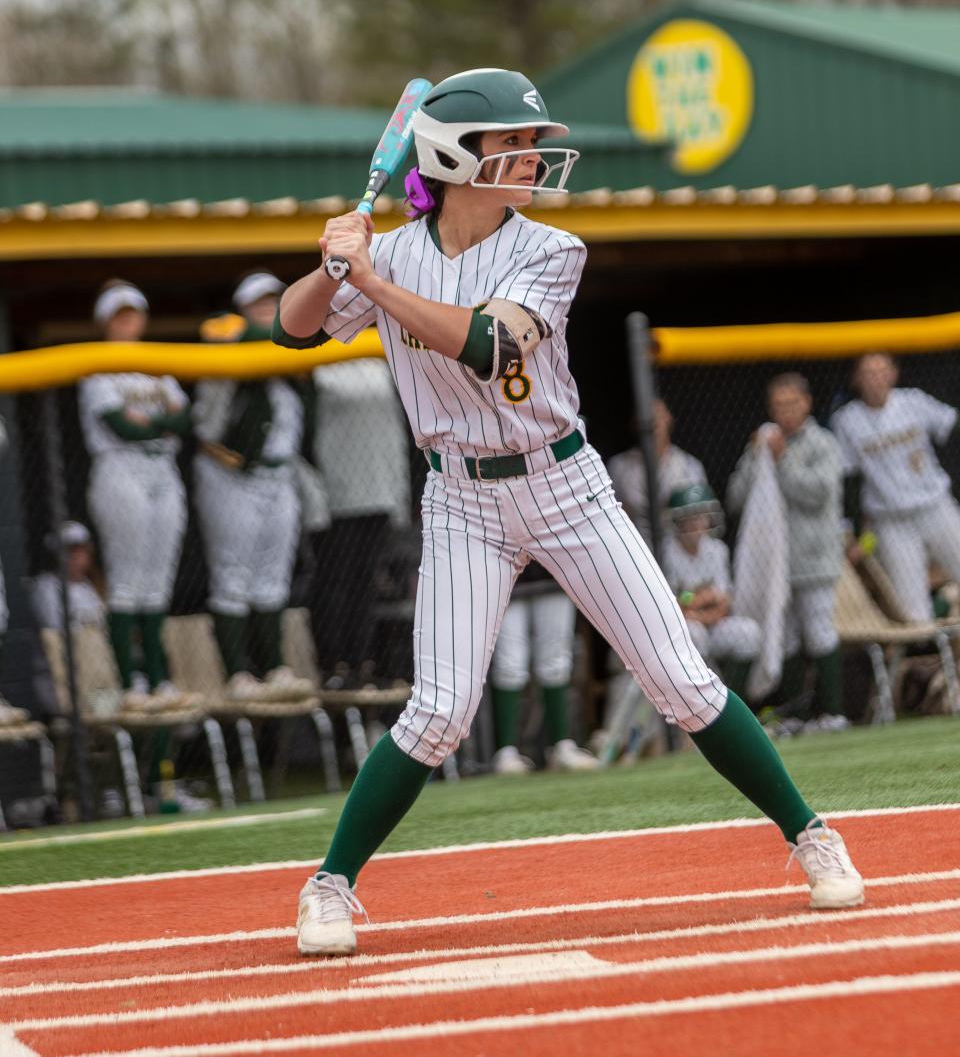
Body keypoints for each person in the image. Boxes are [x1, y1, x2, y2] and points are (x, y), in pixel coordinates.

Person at [273, 68, 863, 956]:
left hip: (565, 485)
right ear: (453, 155)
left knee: (681, 680)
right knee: (437, 711)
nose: (530, 157)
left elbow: (484, 343)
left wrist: (373, 280)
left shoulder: (551, 250)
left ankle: (811, 835)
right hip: (459, 495)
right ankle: (329, 887)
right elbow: (291, 326)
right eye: (508, 145)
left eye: (526, 143)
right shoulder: (390, 251)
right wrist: (332, 265)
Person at [193, 271, 313, 702]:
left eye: (273, 300)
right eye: (258, 302)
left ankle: (275, 667)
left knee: (273, 575)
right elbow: (228, 332)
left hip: (278, 475)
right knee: (232, 574)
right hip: (229, 473)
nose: (267, 308)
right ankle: (238, 673)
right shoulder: (227, 330)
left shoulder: (285, 347)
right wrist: (289, 326)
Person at [78, 281, 192, 711]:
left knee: (158, 579)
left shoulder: (156, 364)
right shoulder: (98, 365)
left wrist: (152, 422)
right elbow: (121, 427)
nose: (128, 322)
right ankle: (131, 682)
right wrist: (160, 422)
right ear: (105, 321)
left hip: (162, 466)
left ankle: (158, 679)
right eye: (119, 315)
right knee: (127, 580)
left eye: (133, 313)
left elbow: (187, 418)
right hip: (118, 467)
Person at [728, 373, 846, 732]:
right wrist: (757, 458)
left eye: (792, 403)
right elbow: (735, 497)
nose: (786, 412)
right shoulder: (764, 443)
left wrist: (783, 461)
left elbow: (818, 494)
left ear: (807, 404)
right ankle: (798, 716)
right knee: (789, 638)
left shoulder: (822, 443)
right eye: (779, 405)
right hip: (774, 566)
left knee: (819, 632)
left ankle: (835, 713)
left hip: (814, 560)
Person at [831, 352, 960, 622]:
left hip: (935, 505)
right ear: (856, 379)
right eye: (868, 372)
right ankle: (945, 609)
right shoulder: (847, 419)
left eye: (881, 371)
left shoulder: (914, 400)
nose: (876, 379)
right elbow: (850, 480)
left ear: (893, 373)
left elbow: (951, 424)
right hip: (890, 521)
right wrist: (856, 530)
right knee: (913, 612)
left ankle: (948, 599)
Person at [310, 354, 411, 685]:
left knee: (365, 581)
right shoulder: (318, 364)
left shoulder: (380, 361)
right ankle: (332, 663)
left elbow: (397, 431)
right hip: (336, 495)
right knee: (334, 580)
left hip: (379, 491)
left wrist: (400, 494)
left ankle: (360, 660)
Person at [489, 563, 597, 773]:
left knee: (556, 661)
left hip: (551, 568)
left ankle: (561, 746)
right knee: (509, 663)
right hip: (503, 569)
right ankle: (505, 753)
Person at [661, 484, 761, 700]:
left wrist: (697, 607)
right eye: (690, 517)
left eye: (701, 516)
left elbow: (724, 602)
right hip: (683, 627)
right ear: (678, 521)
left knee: (748, 633)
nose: (698, 523)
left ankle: (737, 699)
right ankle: (706, 702)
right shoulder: (667, 553)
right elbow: (675, 604)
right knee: (694, 633)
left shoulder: (716, 550)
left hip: (710, 621)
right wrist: (703, 598)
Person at [607, 400, 707, 546]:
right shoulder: (619, 466)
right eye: (647, 417)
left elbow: (701, 519)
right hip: (633, 545)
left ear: (669, 419)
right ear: (635, 423)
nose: (653, 422)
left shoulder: (689, 466)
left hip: (677, 550)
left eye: (658, 416)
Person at [30, 520, 105, 633]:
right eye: (68, 550)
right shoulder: (46, 586)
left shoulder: (92, 584)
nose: (74, 556)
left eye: (79, 549)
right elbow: (55, 628)